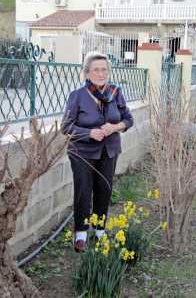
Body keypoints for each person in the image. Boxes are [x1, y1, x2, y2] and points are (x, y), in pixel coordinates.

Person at [61, 52, 134, 252]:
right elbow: (66, 127)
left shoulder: (115, 93)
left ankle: (100, 230)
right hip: (82, 152)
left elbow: (128, 119)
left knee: (104, 189)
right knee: (83, 191)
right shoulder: (77, 96)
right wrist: (89, 132)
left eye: (104, 70)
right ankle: (81, 234)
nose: (101, 74)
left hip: (109, 150)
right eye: (96, 70)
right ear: (87, 73)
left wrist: (116, 126)